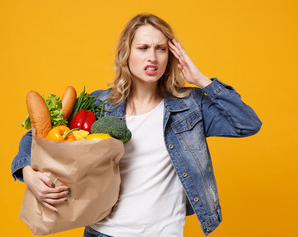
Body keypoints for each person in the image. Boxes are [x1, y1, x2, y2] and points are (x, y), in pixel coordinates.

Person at [11, 13, 262, 237]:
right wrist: (27, 173)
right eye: (143, 48)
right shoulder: (100, 105)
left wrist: (200, 79)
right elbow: (41, 134)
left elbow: (247, 124)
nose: (152, 57)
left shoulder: (191, 106)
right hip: (104, 232)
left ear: (171, 55)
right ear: (127, 53)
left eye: (161, 49)